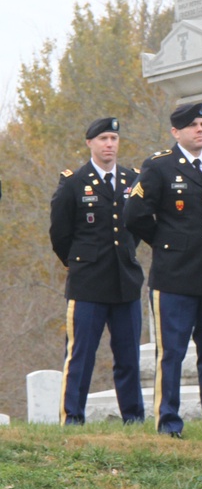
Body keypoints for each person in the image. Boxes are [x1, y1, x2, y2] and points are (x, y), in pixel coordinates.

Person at [123, 102, 202, 439]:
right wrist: (168, 242)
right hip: (175, 277)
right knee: (172, 355)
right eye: (192, 125)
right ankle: (169, 422)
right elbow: (134, 214)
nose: (200, 130)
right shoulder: (159, 167)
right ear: (176, 132)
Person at [49, 117, 145, 425]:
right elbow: (60, 234)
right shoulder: (74, 182)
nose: (109, 144)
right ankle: (72, 418)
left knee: (129, 358)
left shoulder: (133, 180)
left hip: (125, 281)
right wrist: (78, 262)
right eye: (103, 138)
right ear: (90, 143)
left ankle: (133, 417)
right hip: (88, 283)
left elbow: (137, 226)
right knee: (81, 356)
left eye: (114, 139)